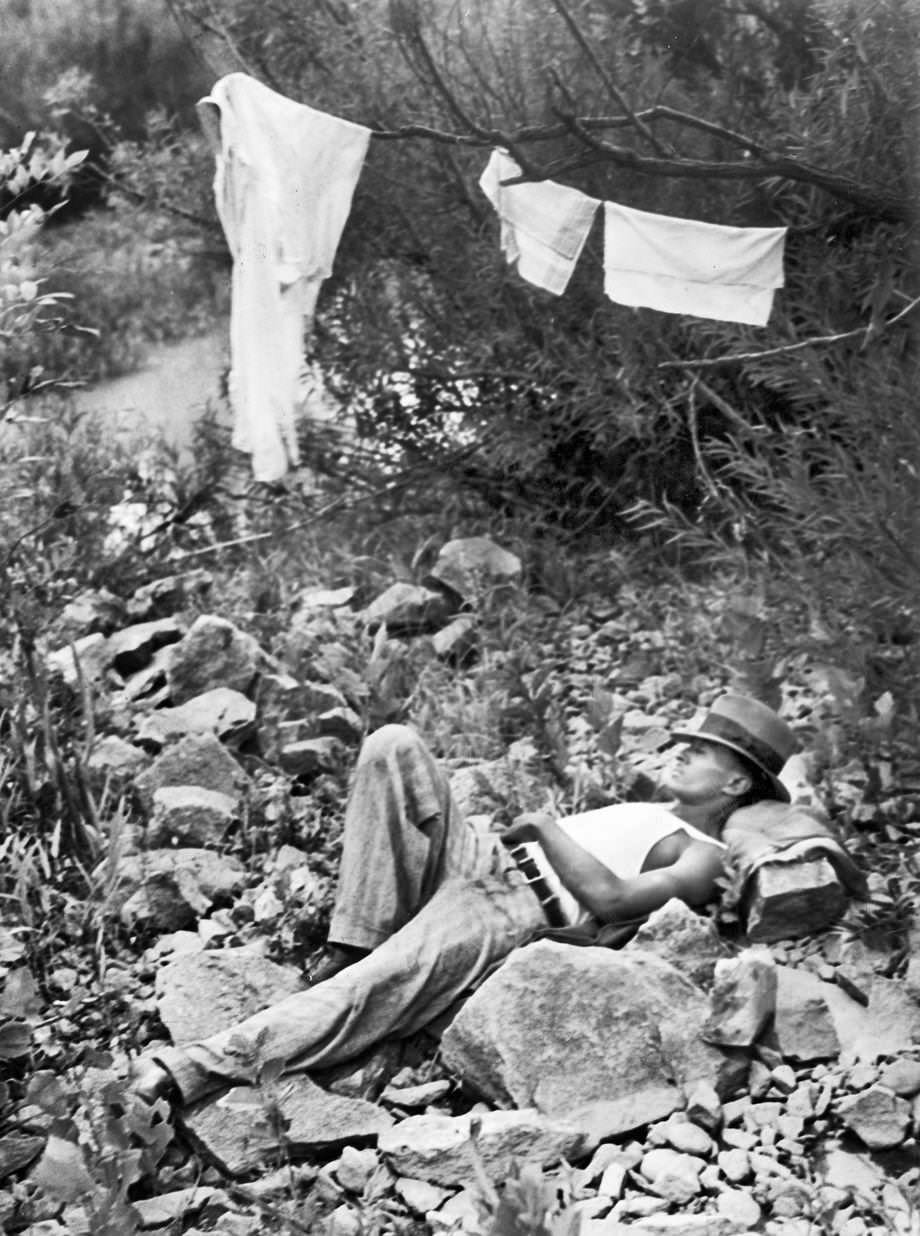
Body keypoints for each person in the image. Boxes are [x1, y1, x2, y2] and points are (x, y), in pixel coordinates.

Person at [135, 692, 796, 1107]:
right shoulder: (654, 809)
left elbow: (616, 899)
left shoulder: (706, 855)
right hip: (480, 857)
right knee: (394, 746)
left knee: (366, 991)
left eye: (703, 752)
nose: (679, 754)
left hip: (515, 907)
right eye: (685, 743)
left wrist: (543, 827)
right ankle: (353, 943)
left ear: (736, 780)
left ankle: (188, 1071)